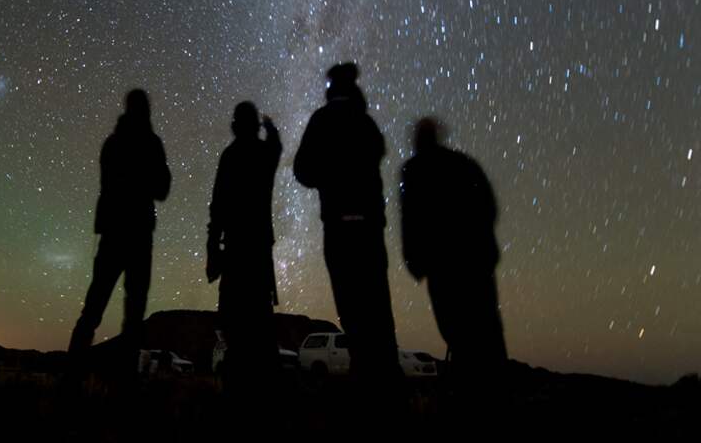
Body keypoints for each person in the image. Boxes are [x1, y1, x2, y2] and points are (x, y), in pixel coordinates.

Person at [293, 62, 404, 392]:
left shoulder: (321, 121)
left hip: (339, 227)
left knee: (352, 310)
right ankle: (388, 390)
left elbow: (302, 171)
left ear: (330, 90)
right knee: (378, 310)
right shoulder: (367, 124)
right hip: (369, 228)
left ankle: (367, 388)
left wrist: (328, 178)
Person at [398, 116, 507, 386]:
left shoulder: (413, 171)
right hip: (477, 265)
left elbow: (410, 220)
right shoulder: (464, 164)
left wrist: (416, 262)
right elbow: (488, 207)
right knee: (488, 333)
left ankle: (468, 395)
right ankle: (497, 396)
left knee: (457, 334)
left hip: (442, 268)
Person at [68, 89, 171, 361]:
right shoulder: (151, 144)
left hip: (113, 234)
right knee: (134, 315)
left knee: (93, 309)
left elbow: (110, 184)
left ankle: (71, 382)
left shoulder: (112, 143)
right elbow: (162, 189)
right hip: (138, 236)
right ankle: (124, 389)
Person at [206, 102, 282, 393]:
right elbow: (276, 147)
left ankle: (236, 389)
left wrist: (213, 249)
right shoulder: (264, 155)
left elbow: (217, 208)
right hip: (259, 250)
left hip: (235, 250)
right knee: (261, 321)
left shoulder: (229, 156)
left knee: (234, 322)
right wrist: (271, 127)